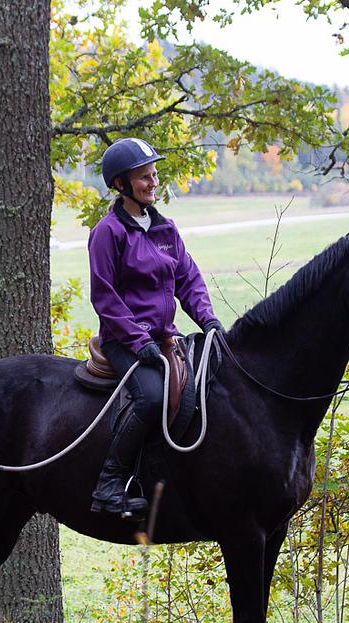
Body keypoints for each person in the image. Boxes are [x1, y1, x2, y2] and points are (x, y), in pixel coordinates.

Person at [88, 137, 222, 518]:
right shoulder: (108, 232)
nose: (152, 182)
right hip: (125, 339)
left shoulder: (166, 229)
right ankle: (110, 484)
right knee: (150, 398)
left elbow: (188, 277)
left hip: (164, 337)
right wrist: (136, 339)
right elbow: (105, 296)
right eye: (144, 177)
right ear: (121, 184)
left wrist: (207, 318)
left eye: (154, 174)